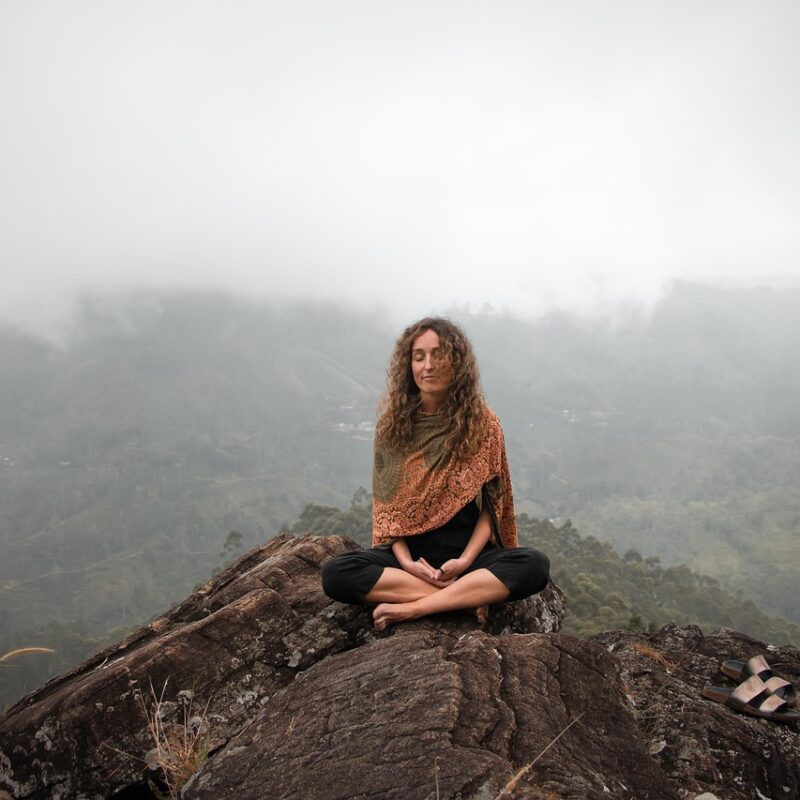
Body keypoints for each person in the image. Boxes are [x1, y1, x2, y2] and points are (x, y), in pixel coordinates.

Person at [321, 317, 550, 630]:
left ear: (456, 362)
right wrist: (408, 564)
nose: (427, 365)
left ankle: (415, 608)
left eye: (438, 355)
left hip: (466, 556)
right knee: (335, 574)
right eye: (419, 357)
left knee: (535, 566)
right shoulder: (392, 428)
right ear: (409, 365)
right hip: (411, 558)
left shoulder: (484, 425)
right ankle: (463, 599)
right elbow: (388, 515)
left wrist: (467, 561)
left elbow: (494, 506)